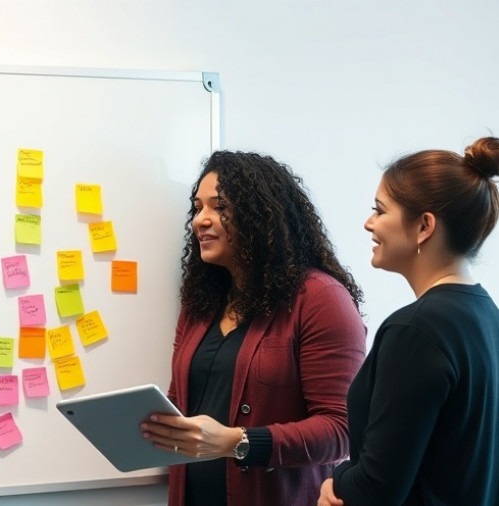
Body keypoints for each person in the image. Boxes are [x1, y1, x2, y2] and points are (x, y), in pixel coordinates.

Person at [141, 150, 367, 506]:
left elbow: (342, 429)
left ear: (260, 216)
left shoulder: (320, 299)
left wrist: (237, 441)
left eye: (219, 207)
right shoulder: (201, 301)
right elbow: (181, 404)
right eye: (197, 207)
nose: (200, 220)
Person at [318, 137, 499, 506]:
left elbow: (377, 488)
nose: (369, 223)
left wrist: (333, 483)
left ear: (424, 227)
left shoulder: (416, 330)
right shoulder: (487, 315)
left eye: (380, 210)